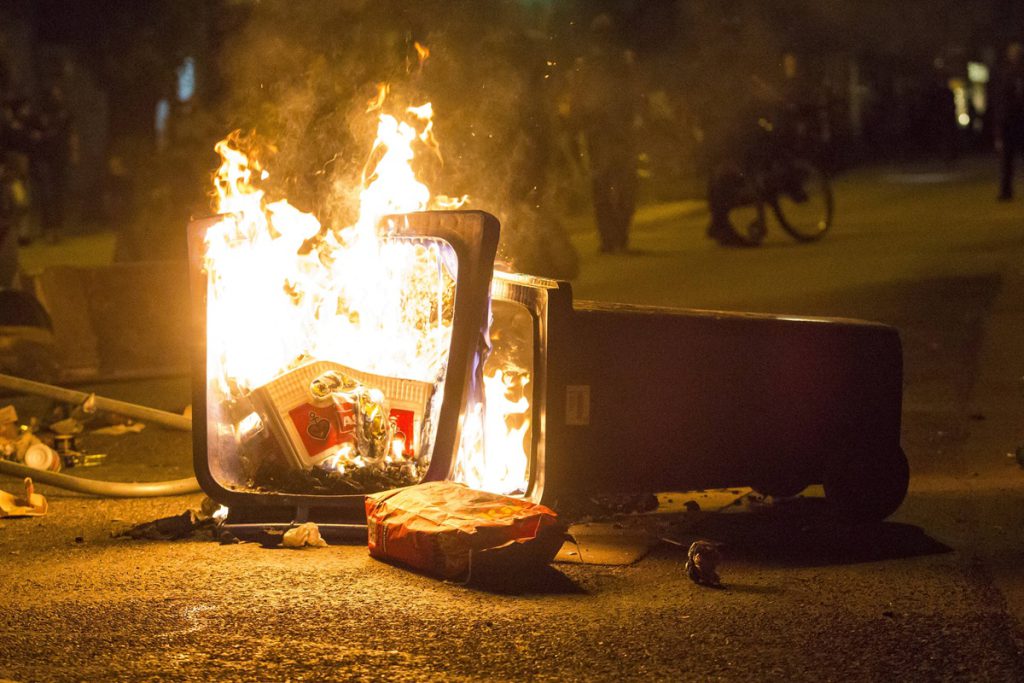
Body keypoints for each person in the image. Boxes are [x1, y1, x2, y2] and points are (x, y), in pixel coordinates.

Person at [569, 14, 641, 254]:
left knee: (616, 185)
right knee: (607, 185)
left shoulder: (616, 61)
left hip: (615, 133)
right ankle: (613, 237)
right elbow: (578, 100)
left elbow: (634, 93)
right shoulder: (589, 64)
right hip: (603, 133)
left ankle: (616, 236)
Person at [993, 42, 1024, 201]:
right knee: (1007, 159)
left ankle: (1006, 191)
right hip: (1010, 121)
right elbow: (1002, 101)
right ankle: (1006, 191)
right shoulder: (1007, 75)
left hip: (1015, 120)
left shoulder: (1011, 74)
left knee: (1007, 159)